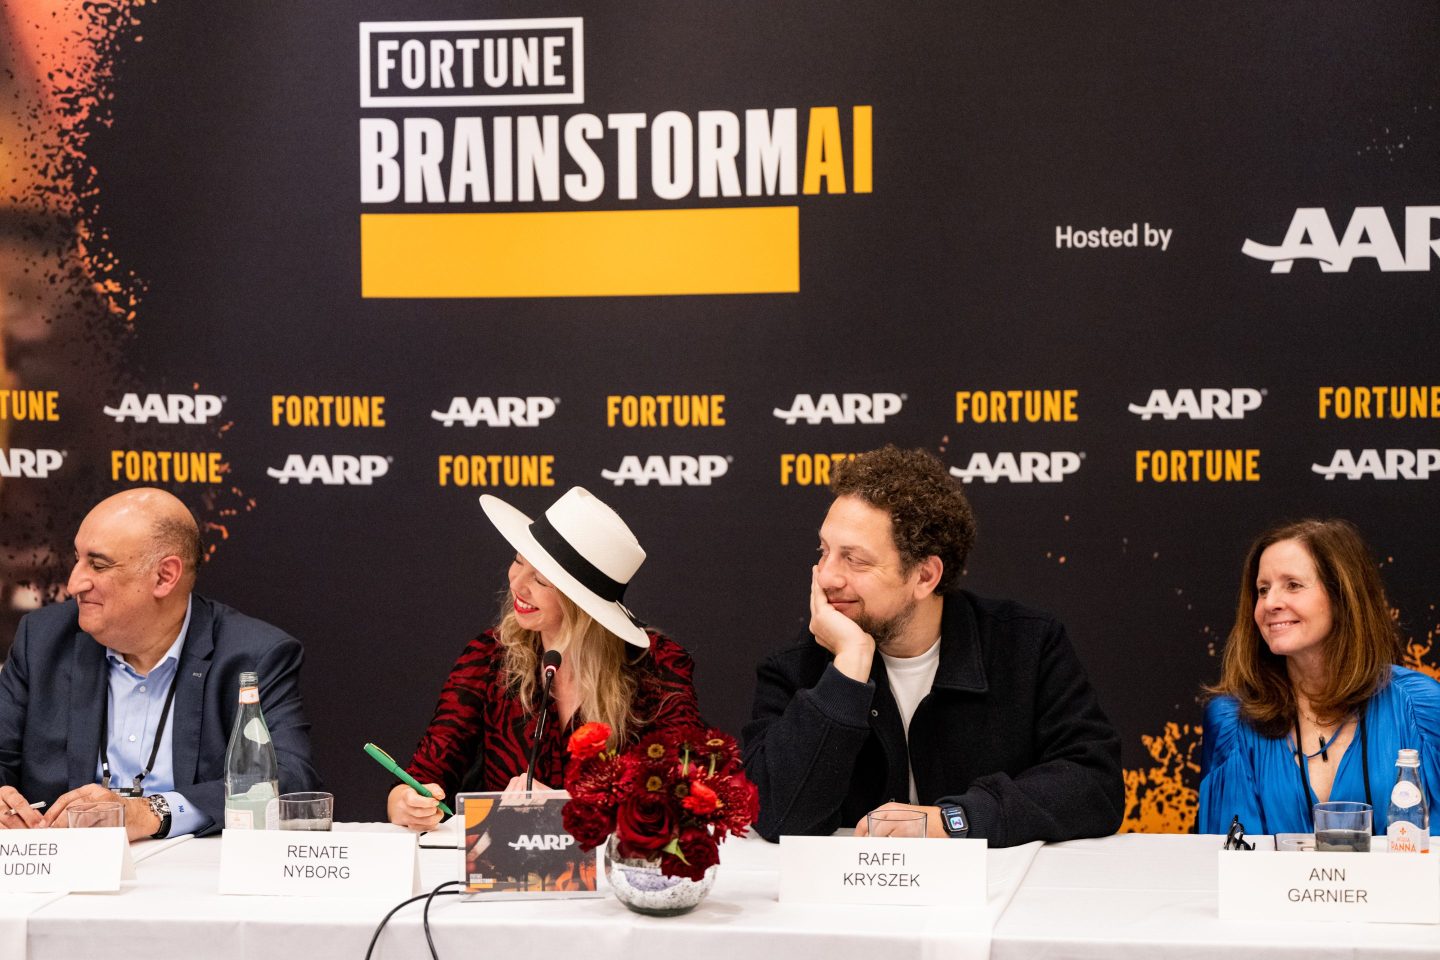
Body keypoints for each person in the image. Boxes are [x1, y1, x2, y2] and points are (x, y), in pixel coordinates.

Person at [743, 445, 1124, 845]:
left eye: (854, 560)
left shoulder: (1027, 645)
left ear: (925, 576)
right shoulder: (796, 666)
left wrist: (956, 819)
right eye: (824, 551)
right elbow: (776, 815)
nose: (826, 577)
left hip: (997, 899)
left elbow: (1093, 783)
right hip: (854, 901)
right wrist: (848, 669)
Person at [0, 488, 321, 840]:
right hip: (64, 872)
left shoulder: (253, 655)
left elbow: (289, 779)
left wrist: (154, 811)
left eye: (98, 564)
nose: (75, 582)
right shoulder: (43, 640)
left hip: (192, 876)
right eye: (76, 558)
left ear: (165, 576)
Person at [387, 486, 703, 830]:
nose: (517, 585)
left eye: (540, 579)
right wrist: (405, 802)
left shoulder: (657, 665)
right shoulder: (489, 656)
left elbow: (685, 792)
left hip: (617, 873)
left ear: (582, 603)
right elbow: (424, 774)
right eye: (518, 561)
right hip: (509, 872)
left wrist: (562, 807)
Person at [1199, 519, 1440, 835]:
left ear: (1342, 596)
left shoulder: (1422, 708)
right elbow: (1231, 864)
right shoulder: (1232, 722)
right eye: (1262, 590)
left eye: (1293, 585)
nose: (1270, 603)